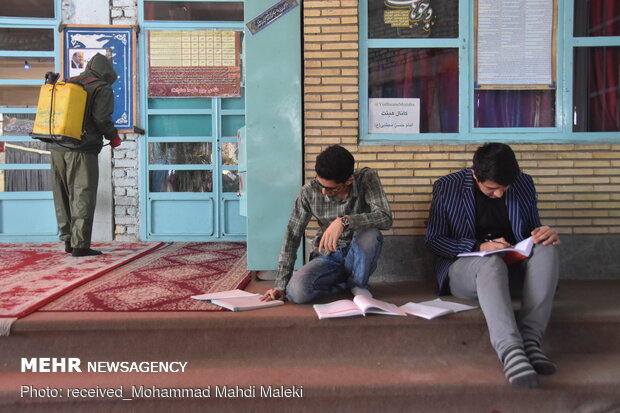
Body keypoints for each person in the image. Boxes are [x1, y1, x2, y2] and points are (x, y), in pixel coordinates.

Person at [425, 142, 560, 389]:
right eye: (492, 189)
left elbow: (530, 231)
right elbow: (434, 241)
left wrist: (542, 233)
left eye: (505, 188)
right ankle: (511, 350)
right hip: (468, 269)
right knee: (490, 263)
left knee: (547, 247)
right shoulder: (447, 186)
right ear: (475, 175)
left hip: (513, 264)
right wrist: (478, 247)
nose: (499, 194)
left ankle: (531, 340)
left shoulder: (523, 183)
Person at [262, 144, 392, 303]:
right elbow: (292, 236)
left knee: (370, 234)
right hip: (328, 256)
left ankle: (359, 285)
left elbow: (385, 218)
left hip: (357, 253)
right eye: (320, 184)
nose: (323, 192)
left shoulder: (367, 178)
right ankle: (346, 286)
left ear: (349, 180)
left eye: (331, 189)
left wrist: (345, 221)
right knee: (296, 293)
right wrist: (281, 285)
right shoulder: (309, 191)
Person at [50, 53, 121, 257]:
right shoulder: (101, 87)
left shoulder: (68, 82)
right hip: (82, 149)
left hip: (57, 147)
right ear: (107, 72)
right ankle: (80, 245)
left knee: (62, 193)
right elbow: (101, 118)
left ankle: (68, 241)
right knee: (83, 193)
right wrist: (113, 136)